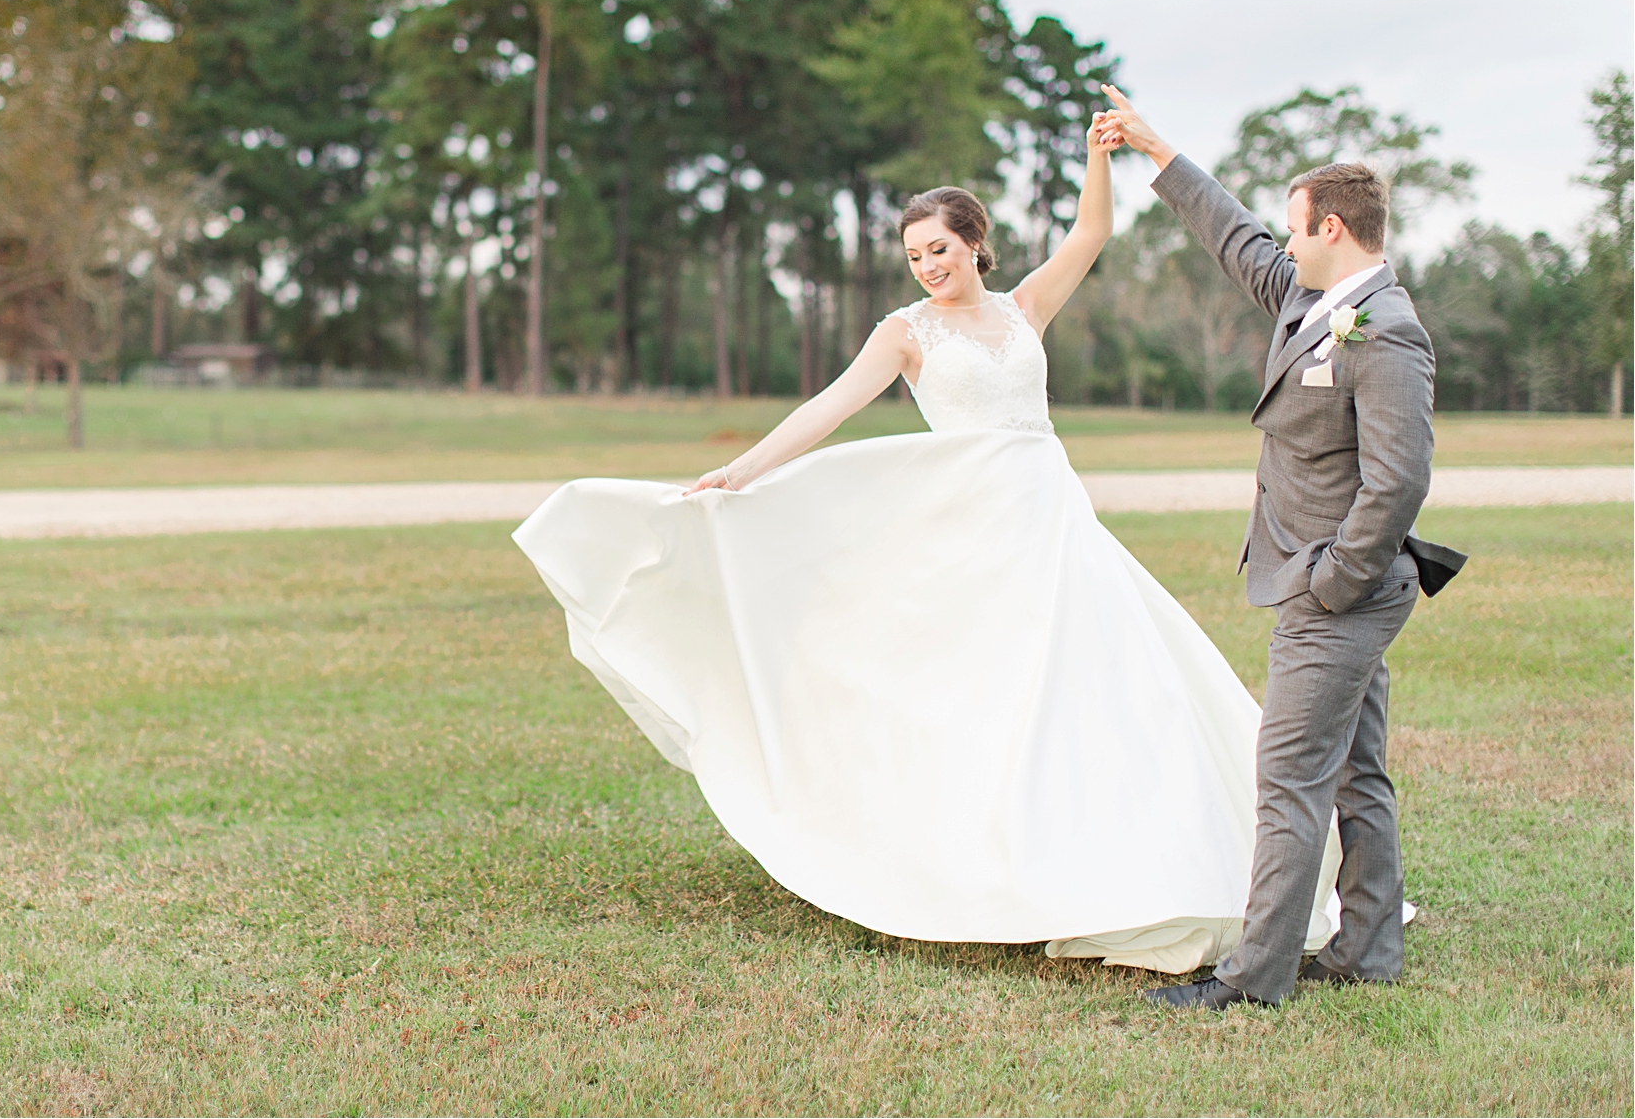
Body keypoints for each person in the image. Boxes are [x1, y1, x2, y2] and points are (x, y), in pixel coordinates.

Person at [513, 116, 1354, 975]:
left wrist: (1099, 158)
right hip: (967, 537)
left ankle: (1127, 861)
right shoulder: (907, 331)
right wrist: (745, 468)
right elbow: (830, 407)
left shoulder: (1026, 309)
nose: (928, 267)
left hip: (1051, 525)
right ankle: (980, 867)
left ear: (974, 244)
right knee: (980, 699)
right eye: (916, 256)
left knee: (1102, 687)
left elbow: (1092, 232)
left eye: (940, 250)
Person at [1096, 88, 1465, 1011]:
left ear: (1333, 228)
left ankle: (1253, 983)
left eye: (1297, 230)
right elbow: (1237, 239)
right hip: (1332, 580)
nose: (1284, 244)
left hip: (1338, 588)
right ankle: (1371, 949)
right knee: (1355, 770)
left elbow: (1399, 480)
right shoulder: (1314, 295)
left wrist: (1334, 580)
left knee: (1289, 781)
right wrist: (1155, 149)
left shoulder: (1386, 332)